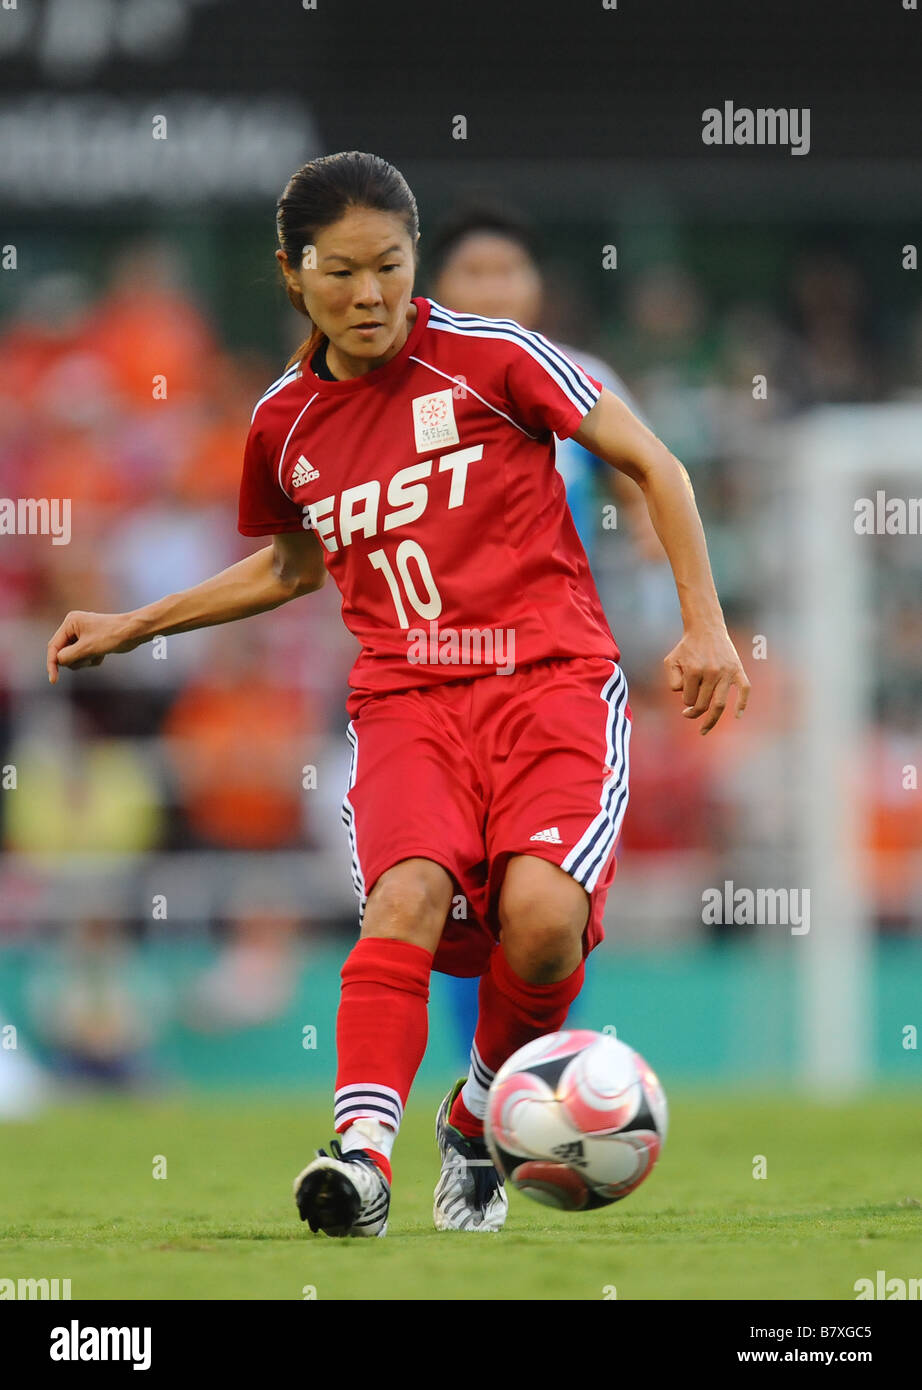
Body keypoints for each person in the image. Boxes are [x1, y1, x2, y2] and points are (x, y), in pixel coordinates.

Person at [46, 151, 750, 1238]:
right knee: (405, 898)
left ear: (414, 262)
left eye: (389, 265)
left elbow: (657, 464)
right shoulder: (283, 423)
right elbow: (289, 567)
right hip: (405, 703)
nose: (368, 294)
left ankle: (472, 1118)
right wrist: (138, 623)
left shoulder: (491, 355)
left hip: (551, 682)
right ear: (293, 274)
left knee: (544, 923)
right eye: (340, 272)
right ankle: (360, 1156)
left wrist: (705, 625)